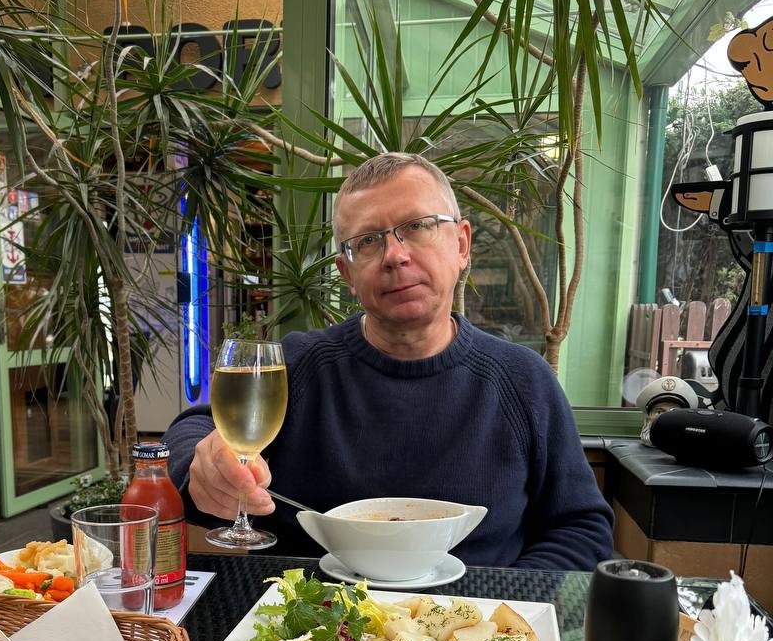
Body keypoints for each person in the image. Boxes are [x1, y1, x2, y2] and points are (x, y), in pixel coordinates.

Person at [164, 152, 614, 568]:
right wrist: (203, 468)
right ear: (347, 273)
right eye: (367, 241)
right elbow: (193, 431)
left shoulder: (522, 380)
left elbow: (580, 527)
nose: (395, 256)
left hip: (470, 622)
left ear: (462, 245)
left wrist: (501, 606)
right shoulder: (298, 367)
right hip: (311, 618)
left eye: (417, 226)